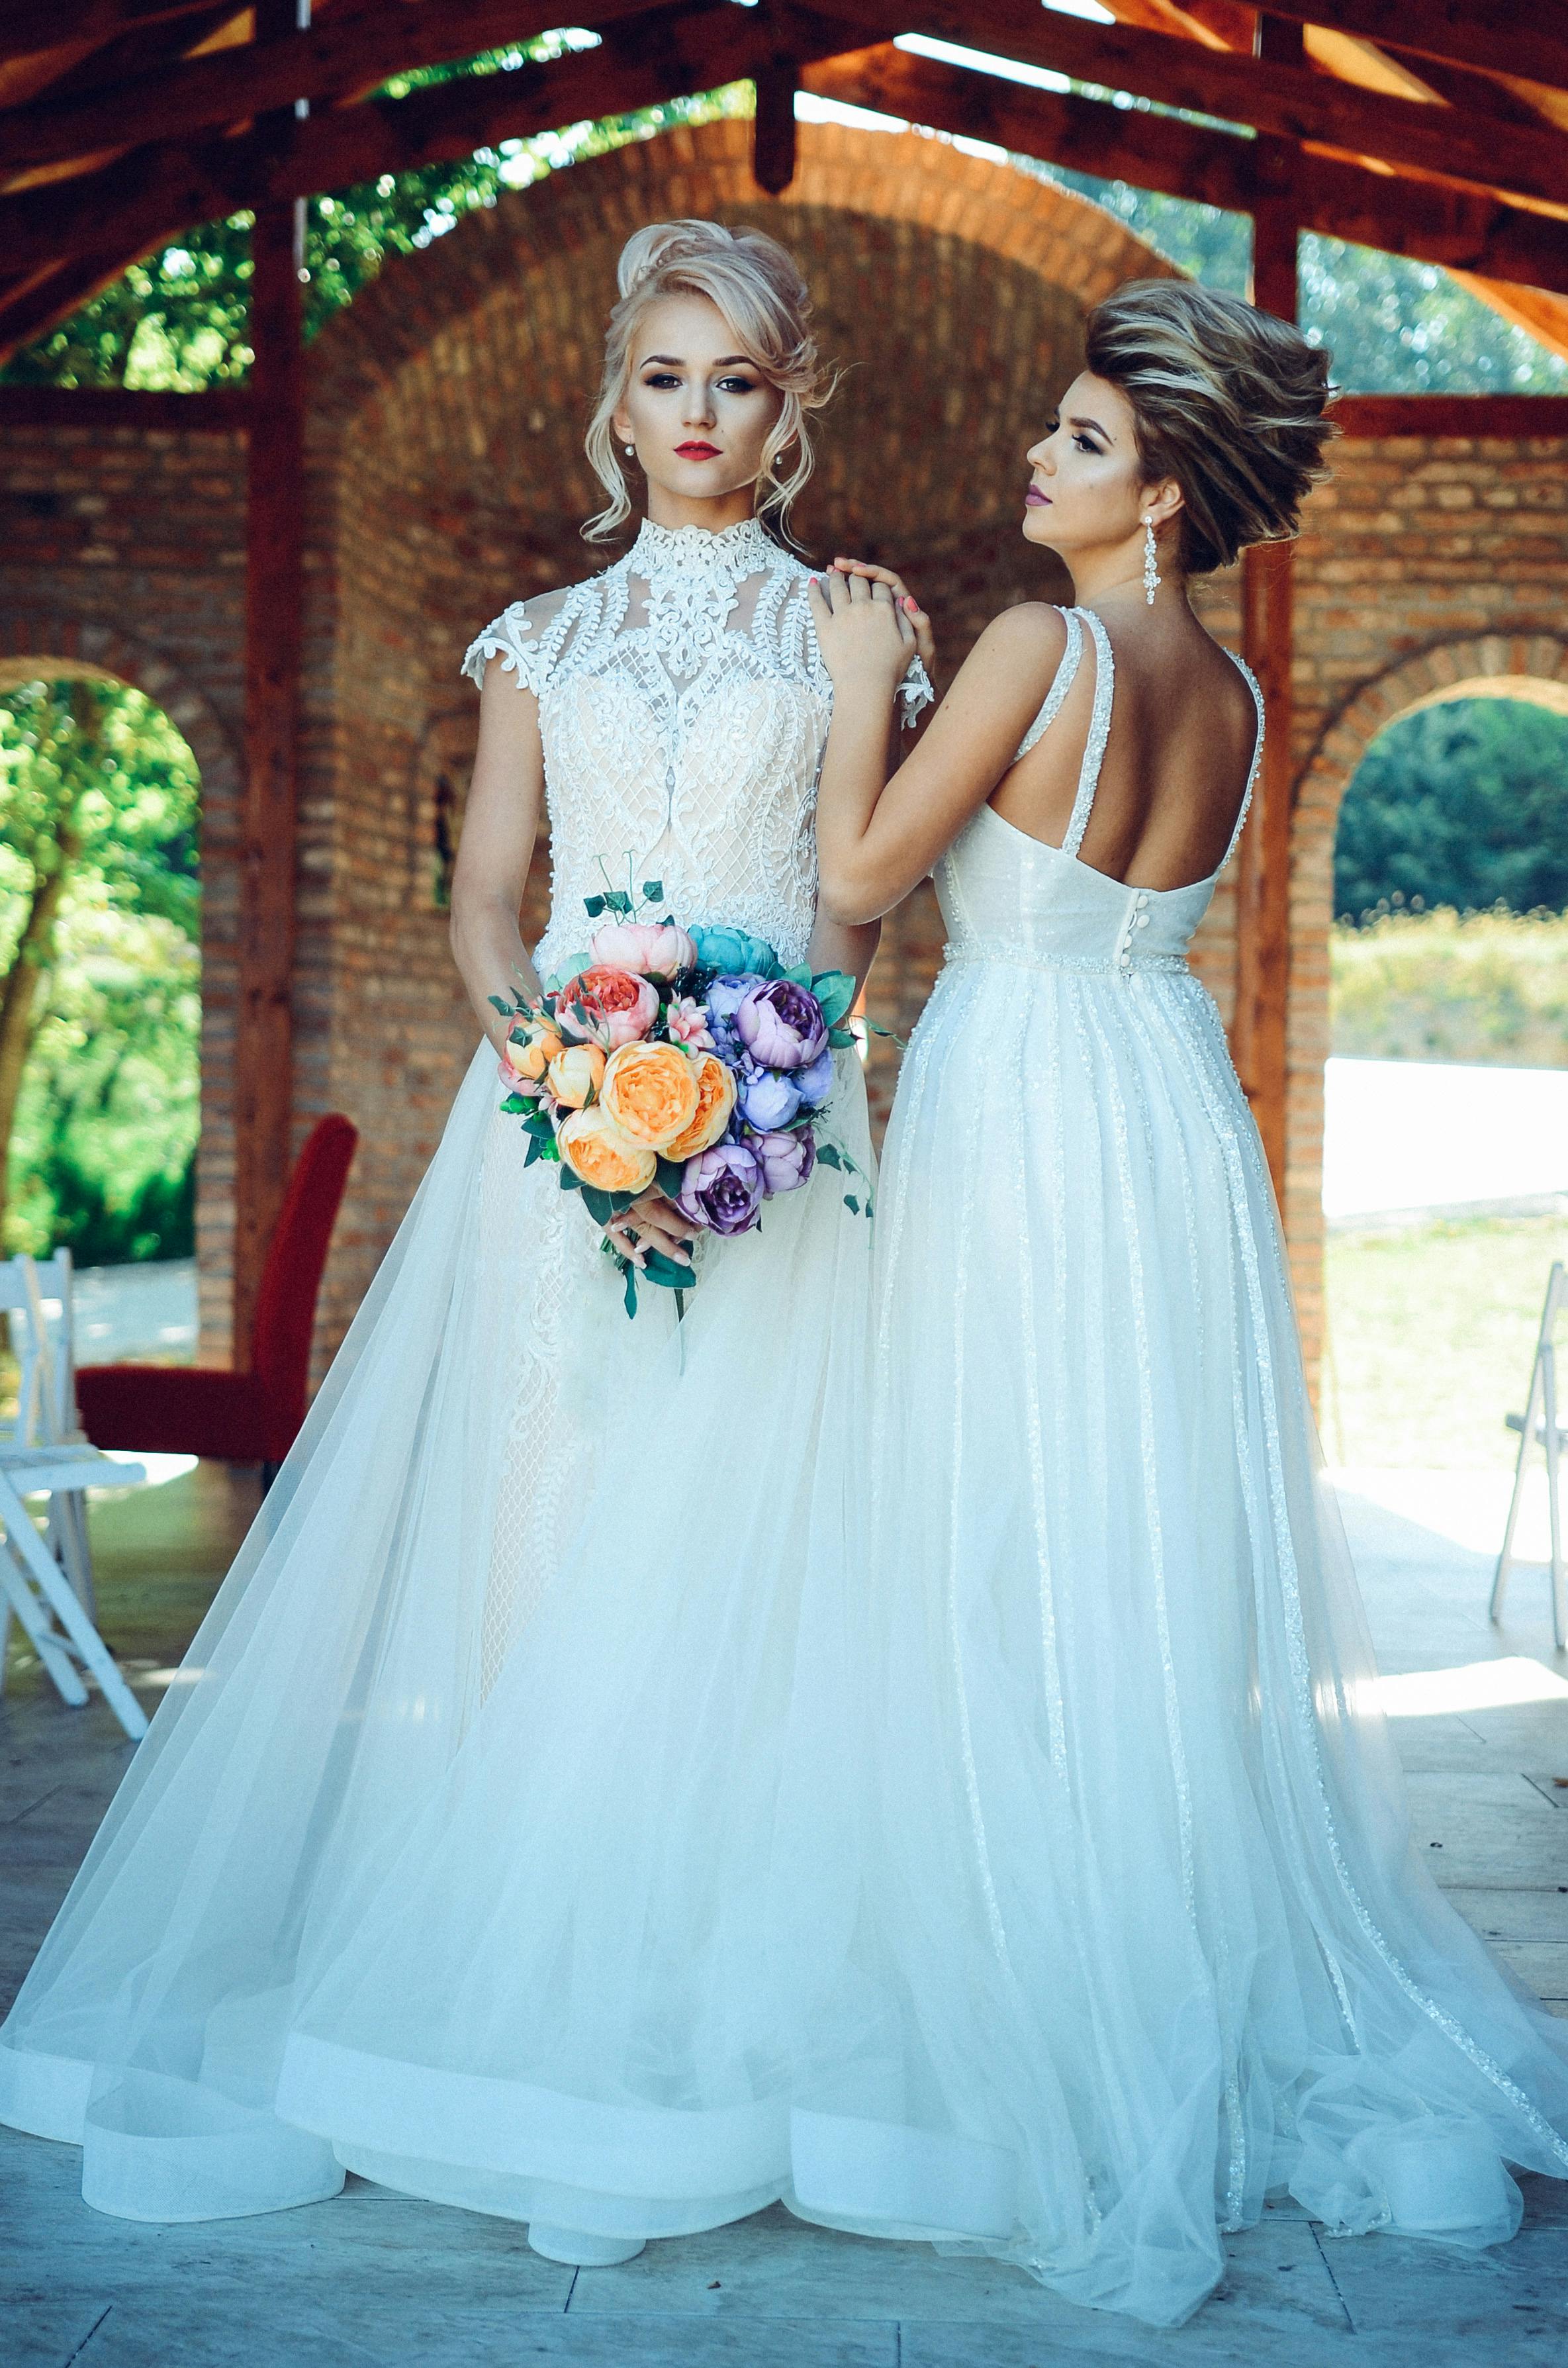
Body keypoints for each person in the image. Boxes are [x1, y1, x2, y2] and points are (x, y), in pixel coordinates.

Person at [0, 218, 929, 2265]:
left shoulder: (850, 631)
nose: (699, 416)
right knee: (553, 1506)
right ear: (619, 399)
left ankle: (714, 1934)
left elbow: (857, 903)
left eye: (740, 384)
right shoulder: (537, 642)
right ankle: (521, 1925)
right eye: (667, 377)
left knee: (762, 1521)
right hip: (560, 1134)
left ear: (789, 415)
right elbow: (489, 897)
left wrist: (771, 1082)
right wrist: (570, 1076)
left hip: (776, 1128)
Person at [798, 278, 1568, 2327]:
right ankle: (1151, 1927)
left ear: (1152, 491)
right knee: (1130, 1547)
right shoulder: (1222, 690)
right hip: (1160, 1116)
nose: (1028, 463)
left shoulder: (1031, 646)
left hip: (1020, 1099)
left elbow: (865, 875)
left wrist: (862, 681)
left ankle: (1022, 1965)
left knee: (989, 1522)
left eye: (1070, 442)